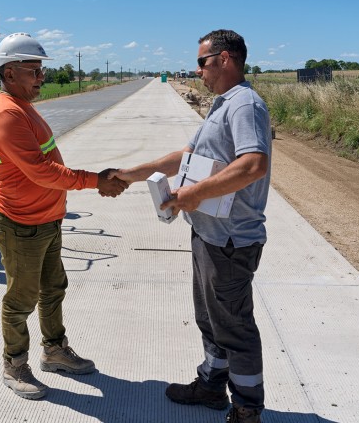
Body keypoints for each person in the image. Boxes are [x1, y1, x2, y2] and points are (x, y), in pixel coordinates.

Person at [113, 29, 271, 423]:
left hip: (232, 241)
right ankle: (212, 386)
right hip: (209, 235)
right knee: (210, 319)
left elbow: (253, 164)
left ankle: (248, 408)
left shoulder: (245, 105)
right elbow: (183, 159)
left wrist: (193, 195)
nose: (196, 68)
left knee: (234, 327)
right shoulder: (221, 105)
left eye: (202, 61)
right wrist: (131, 174)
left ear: (226, 59)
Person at [0, 32, 128, 400]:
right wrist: (96, 181)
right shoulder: (6, 115)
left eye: (41, 71)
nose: (41, 78)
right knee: (21, 299)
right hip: (20, 224)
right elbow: (42, 172)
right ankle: (14, 365)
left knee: (53, 289)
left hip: (46, 219)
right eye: (35, 71)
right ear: (10, 72)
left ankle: (54, 351)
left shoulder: (23, 106)